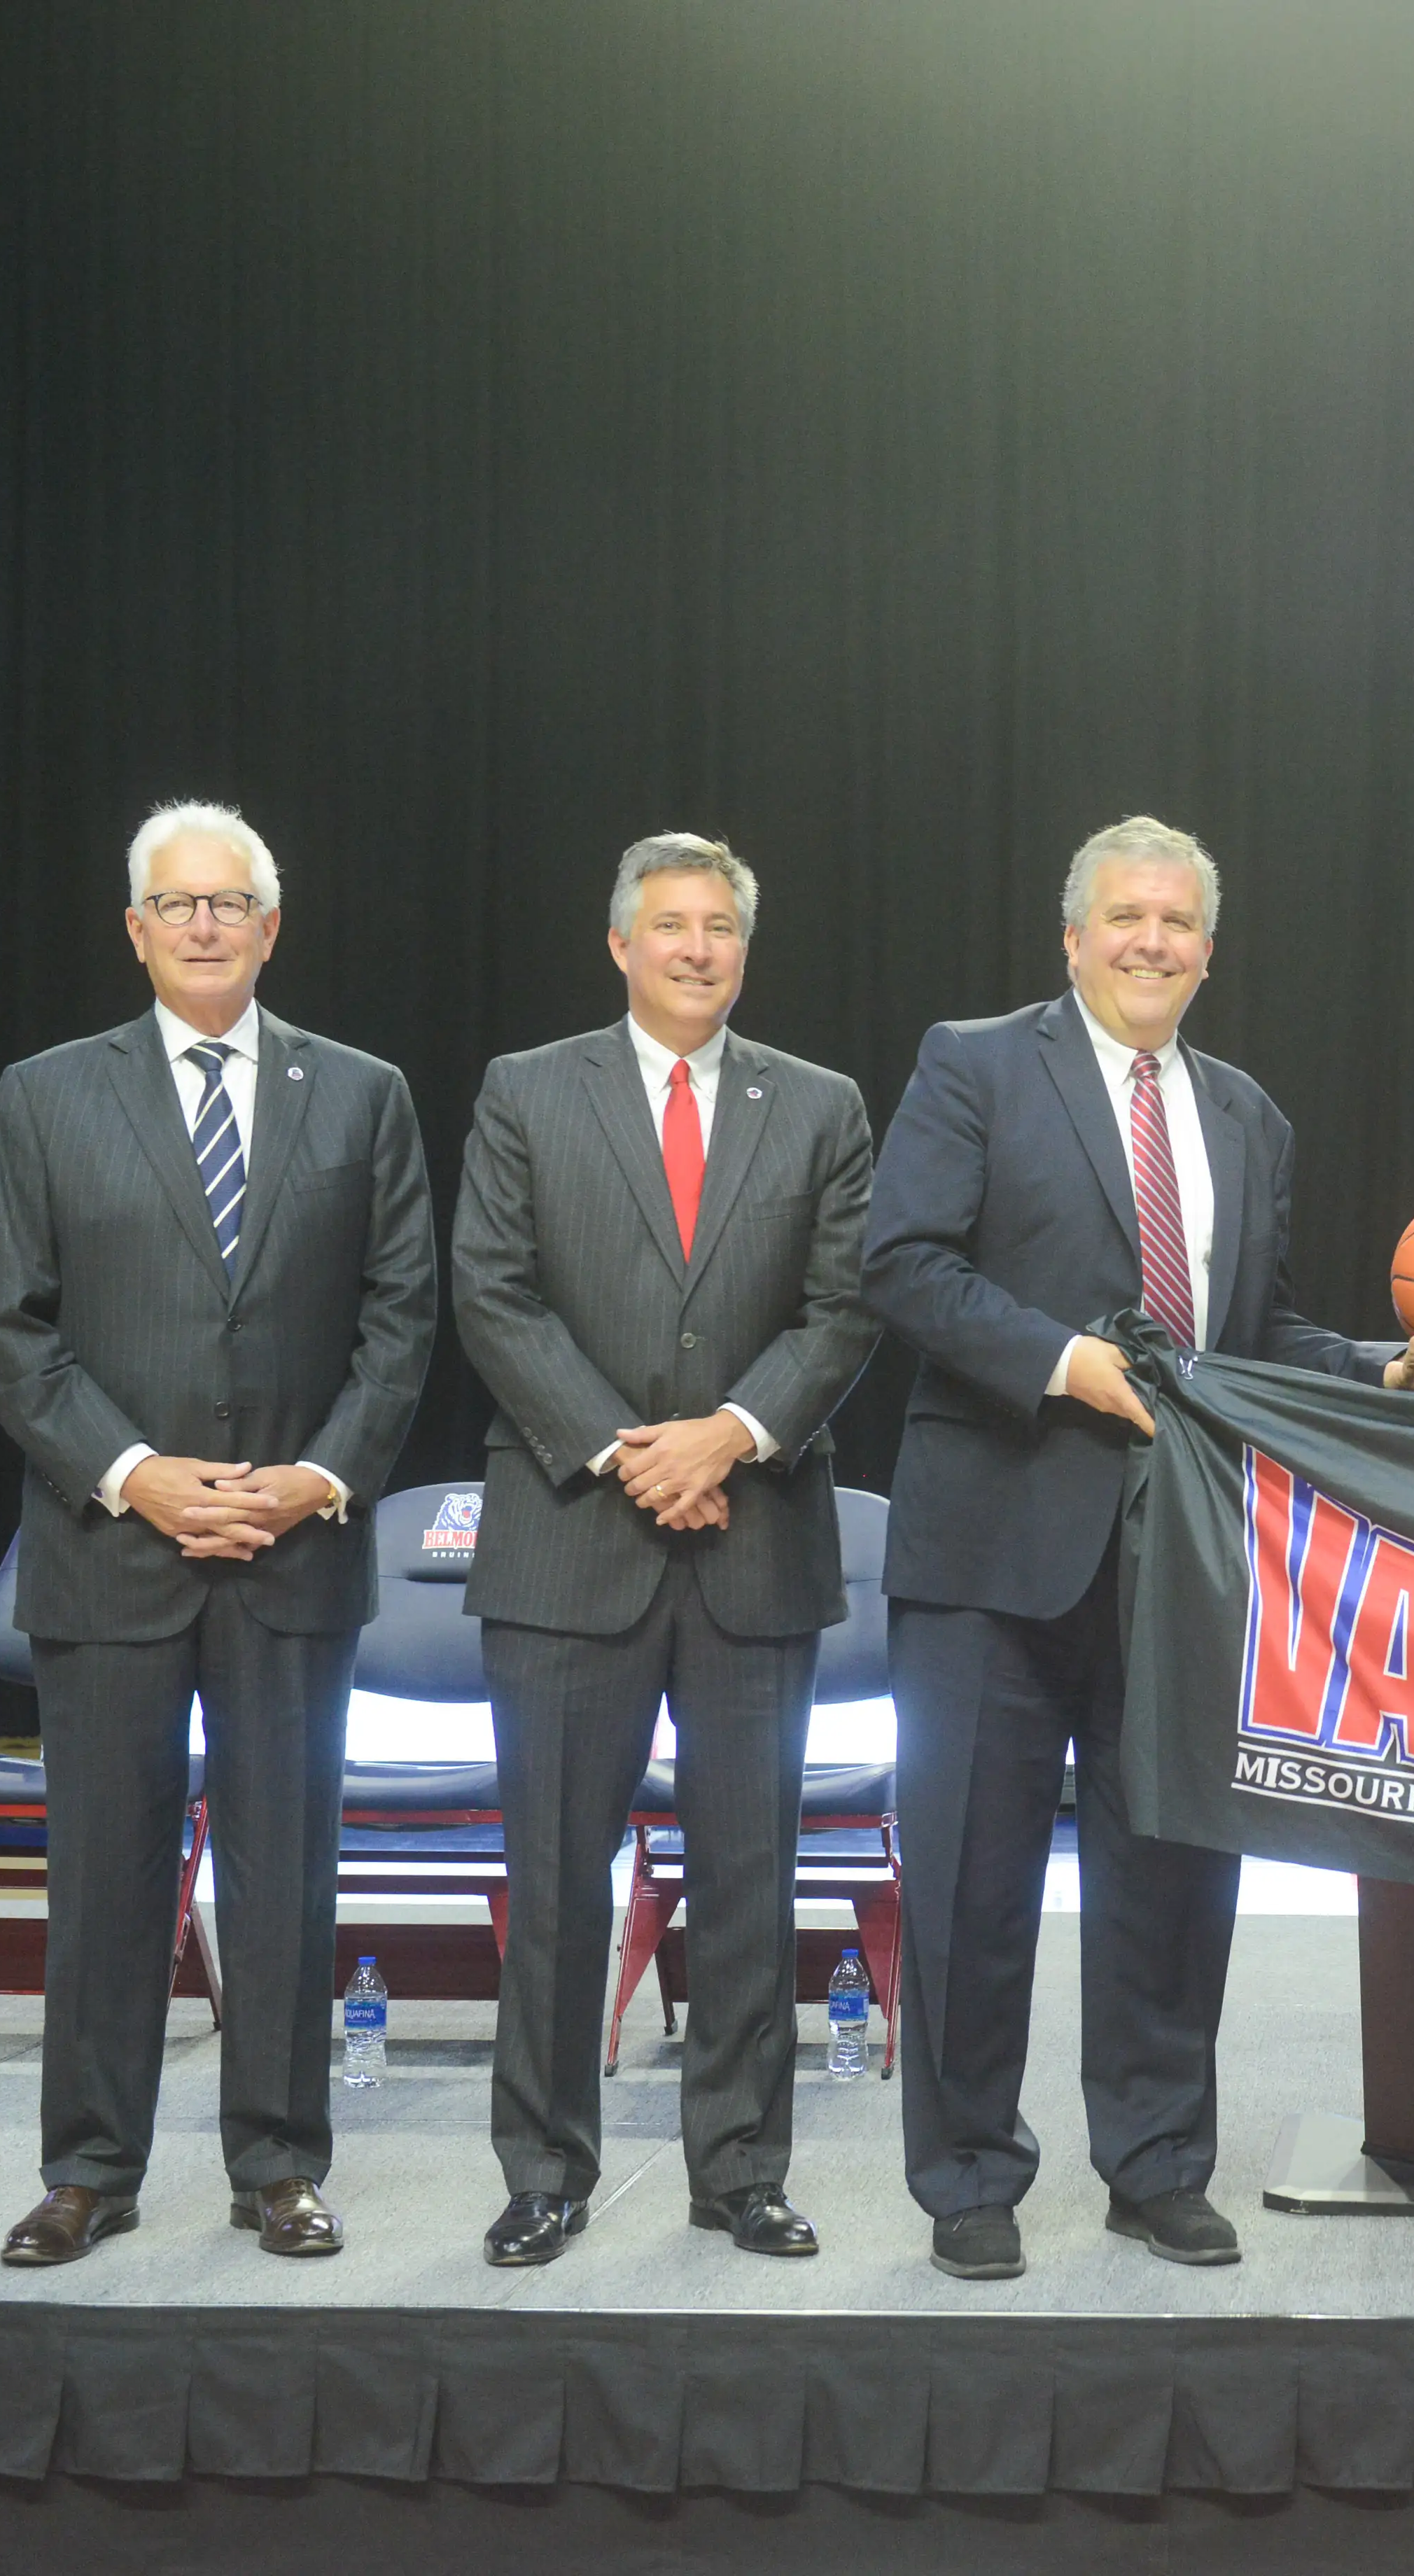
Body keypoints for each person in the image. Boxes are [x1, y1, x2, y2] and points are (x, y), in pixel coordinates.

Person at [862, 817, 1385, 2281]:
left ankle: (1155, 2165)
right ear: (1074, 936)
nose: (1151, 941)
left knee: (1173, 1877)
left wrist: (1392, 1368)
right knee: (973, 1883)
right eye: (1125, 917)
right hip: (990, 1551)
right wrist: (1058, 1363)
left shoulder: (1247, 1115)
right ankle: (969, 2175)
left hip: (1183, 1560)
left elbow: (1259, 1333)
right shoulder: (975, 1063)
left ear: (1207, 951)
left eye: (1177, 922)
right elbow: (904, 1262)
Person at [0, 800, 436, 2267]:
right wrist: (137, 1472)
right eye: (179, 904)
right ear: (137, 929)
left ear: (271, 925)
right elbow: (8, 1327)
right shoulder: (46, 1095)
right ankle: (90, 2169)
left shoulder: (363, 1095)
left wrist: (314, 1477)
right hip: (114, 1551)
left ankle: (279, 2164)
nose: (207, 923)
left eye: (233, 901)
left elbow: (403, 1320)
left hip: (295, 1550)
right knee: (106, 1878)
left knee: (285, 1876)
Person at [452, 834, 880, 2266]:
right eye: (669, 925)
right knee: (559, 1881)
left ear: (742, 952)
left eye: (720, 929)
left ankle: (742, 2170)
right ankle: (544, 2172)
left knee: (751, 1880)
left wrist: (731, 1436)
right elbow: (493, 1296)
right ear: (620, 943)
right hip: (575, 1535)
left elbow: (845, 1310)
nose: (696, 949)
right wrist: (638, 1452)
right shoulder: (527, 1090)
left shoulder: (818, 1106)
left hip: (753, 1538)